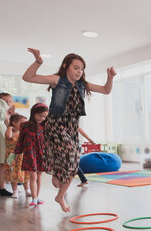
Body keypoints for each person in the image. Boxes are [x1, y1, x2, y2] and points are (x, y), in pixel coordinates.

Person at [22, 48, 116, 212]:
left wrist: (110, 77)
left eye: (82, 69)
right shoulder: (57, 80)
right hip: (56, 124)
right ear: (66, 66)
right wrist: (38, 62)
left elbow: (106, 90)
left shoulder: (82, 84)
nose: (79, 71)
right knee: (71, 153)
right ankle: (59, 186)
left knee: (74, 160)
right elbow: (28, 77)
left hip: (72, 126)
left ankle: (59, 189)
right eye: (76, 67)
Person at [11, 103, 49, 206]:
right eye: (40, 115)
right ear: (33, 113)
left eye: (44, 116)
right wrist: (18, 152)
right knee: (32, 175)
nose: (42, 118)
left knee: (39, 175)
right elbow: (20, 139)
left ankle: (37, 196)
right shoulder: (25, 125)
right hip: (29, 153)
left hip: (41, 153)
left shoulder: (45, 125)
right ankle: (34, 197)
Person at [4, 113, 30, 197]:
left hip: (22, 157)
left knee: (25, 174)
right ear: (14, 123)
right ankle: (15, 191)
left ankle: (27, 190)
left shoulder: (23, 133)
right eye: (21, 123)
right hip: (12, 157)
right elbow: (8, 136)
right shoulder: (10, 132)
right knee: (13, 174)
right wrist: (10, 127)